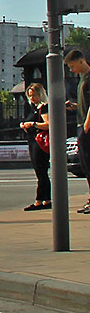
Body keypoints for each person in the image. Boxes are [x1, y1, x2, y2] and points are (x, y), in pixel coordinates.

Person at [20, 82, 51, 211]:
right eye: (30, 96)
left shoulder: (44, 107)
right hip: (33, 140)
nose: (32, 98)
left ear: (40, 94)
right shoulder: (35, 108)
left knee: (41, 171)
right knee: (40, 172)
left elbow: (48, 124)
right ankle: (45, 199)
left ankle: (40, 200)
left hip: (39, 142)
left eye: (34, 95)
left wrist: (33, 124)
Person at [65, 49, 90, 214]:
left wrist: (87, 124)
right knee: (85, 165)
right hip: (81, 123)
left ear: (81, 61)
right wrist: (76, 106)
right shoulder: (82, 79)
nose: (71, 70)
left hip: (86, 126)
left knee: (88, 163)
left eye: (72, 66)